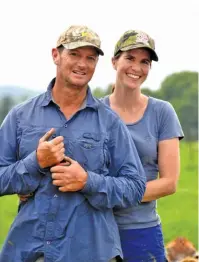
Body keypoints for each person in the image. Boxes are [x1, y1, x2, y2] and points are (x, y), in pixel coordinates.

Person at [0, 25, 146, 262]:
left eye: (91, 58)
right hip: (31, 251)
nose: (83, 64)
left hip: (92, 252)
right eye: (75, 54)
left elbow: (135, 187)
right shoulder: (20, 117)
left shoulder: (109, 122)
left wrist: (88, 181)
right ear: (55, 55)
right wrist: (35, 163)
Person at [101, 30, 184, 261]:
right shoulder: (94, 112)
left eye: (144, 62)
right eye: (129, 58)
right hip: (95, 231)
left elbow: (169, 183)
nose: (136, 67)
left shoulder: (162, 112)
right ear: (114, 61)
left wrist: (109, 193)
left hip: (142, 232)